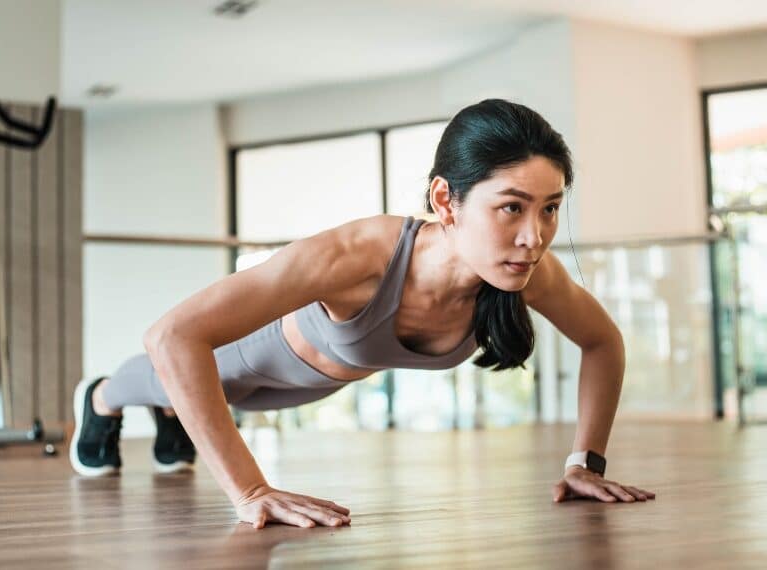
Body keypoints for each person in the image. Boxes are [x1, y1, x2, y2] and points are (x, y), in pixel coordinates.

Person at [69, 99, 655, 530]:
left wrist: (586, 462)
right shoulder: (358, 256)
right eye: (512, 207)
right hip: (245, 357)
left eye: (551, 209)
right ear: (445, 200)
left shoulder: (525, 273)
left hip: (313, 384)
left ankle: (174, 412)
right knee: (146, 378)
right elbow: (172, 336)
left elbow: (602, 341)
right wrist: (250, 491)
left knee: (200, 397)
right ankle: (97, 400)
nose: (535, 237)